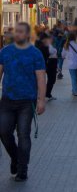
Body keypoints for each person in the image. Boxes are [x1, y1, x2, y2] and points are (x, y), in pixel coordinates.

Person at [0, 22, 46, 182]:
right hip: (7, 100)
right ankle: (15, 158)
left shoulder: (35, 54)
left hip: (27, 101)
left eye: (20, 32)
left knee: (23, 135)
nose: (17, 34)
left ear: (27, 35)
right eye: (16, 32)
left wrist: (41, 100)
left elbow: (41, 77)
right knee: (4, 132)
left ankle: (22, 170)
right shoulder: (5, 52)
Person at [62, 32, 77, 97]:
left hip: (71, 64)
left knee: (73, 78)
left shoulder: (66, 45)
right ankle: (74, 89)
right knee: (75, 77)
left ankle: (75, 90)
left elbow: (63, 54)